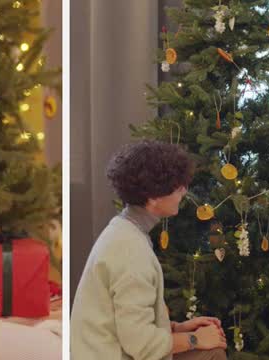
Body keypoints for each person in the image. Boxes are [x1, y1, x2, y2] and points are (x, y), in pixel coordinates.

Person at [71, 140, 228, 360]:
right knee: (212, 353)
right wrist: (195, 339)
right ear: (153, 196)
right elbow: (141, 345)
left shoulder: (124, 231)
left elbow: (124, 324)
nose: (184, 191)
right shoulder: (131, 251)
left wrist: (178, 328)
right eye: (177, 186)